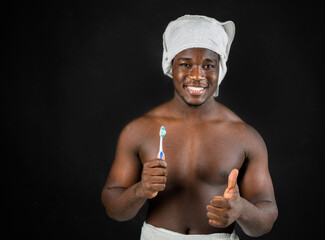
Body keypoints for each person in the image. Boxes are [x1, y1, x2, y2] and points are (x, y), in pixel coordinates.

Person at [101, 15, 278, 240]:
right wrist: (140, 190)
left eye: (208, 65)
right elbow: (114, 210)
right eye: (185, 64)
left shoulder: (245, 137)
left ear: (220, 69)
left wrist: (241, 210)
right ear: (170, 66)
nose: (197, 76)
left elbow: (265, 221)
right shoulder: (139, 130)